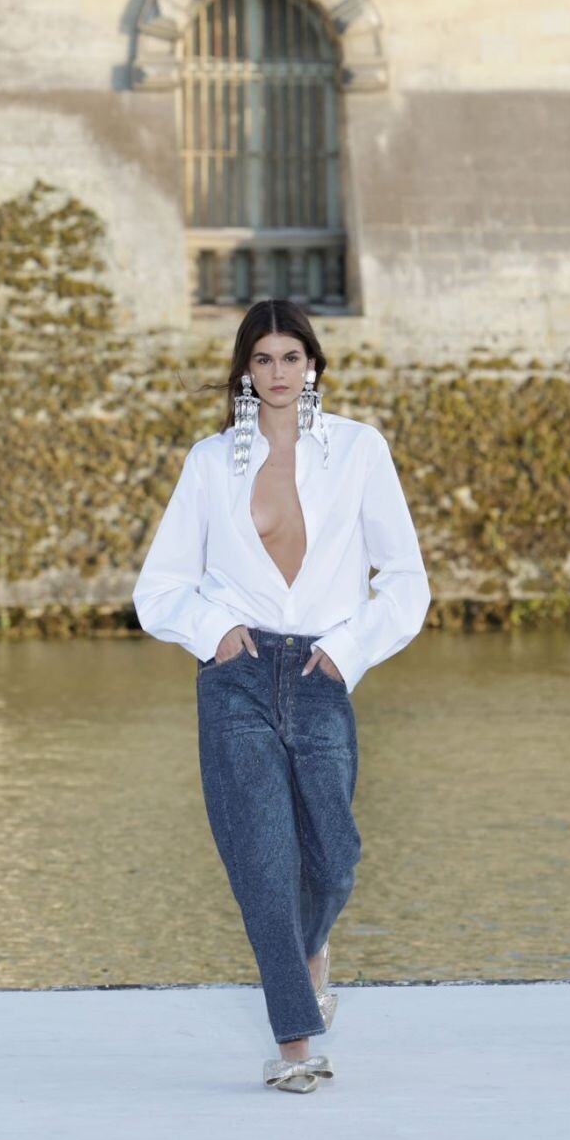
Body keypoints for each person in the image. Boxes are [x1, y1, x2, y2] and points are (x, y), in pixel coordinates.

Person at [131, 298, 431, 1094]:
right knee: (265, 863)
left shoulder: (360, 451)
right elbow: (158, 588)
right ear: (244, 371)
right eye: (262, 359)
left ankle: (313, 948)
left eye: (290, 357)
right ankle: (296, 1045)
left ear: (313, 365)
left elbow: (406, 581)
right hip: (237, 677)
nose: (277, 373)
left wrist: (348, 651)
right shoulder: (210, 463)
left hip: (320, 673)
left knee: (333, 856)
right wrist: (216, 631)